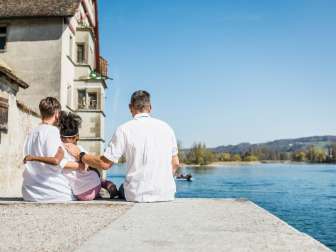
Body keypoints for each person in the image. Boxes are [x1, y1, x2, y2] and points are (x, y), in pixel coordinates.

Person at [65, 90, 180, 202]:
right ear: (150, 107)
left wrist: (80, 155)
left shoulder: (124, 129)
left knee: (121, 189)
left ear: (130, 107)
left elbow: (104, 163)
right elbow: (175, 163)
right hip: (166, 193)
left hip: (137, 194)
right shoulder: (167, 128)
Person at [24, 111, 118, 201]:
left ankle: (101, 187)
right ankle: (105, 185)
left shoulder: (58, 148)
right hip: (93, 187)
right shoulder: (79, 148)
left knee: (83, 177)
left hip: (80, 194)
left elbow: (59, 163)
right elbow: (88, 164)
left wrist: (33, 157)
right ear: (76, 137)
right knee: (95, 174)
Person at [22, 97, 74, 202]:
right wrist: (62, 152)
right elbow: (56, 161)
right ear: (57, 114)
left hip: (29, 192)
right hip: (53, 192)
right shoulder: (52, 131)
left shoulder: (30, 133)